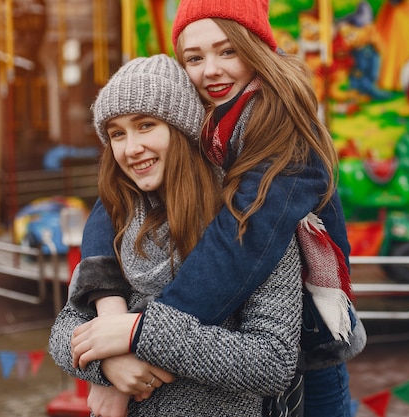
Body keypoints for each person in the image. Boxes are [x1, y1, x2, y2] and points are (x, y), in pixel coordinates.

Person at [71, 1, 367, 416]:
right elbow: (115, 201)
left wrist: (137, 339)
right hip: (213, 354)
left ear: (256, 47)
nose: (210, 69)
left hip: (303, 338)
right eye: (194, 57)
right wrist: (109, 309)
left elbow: (240, 243)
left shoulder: (287, 133)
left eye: (227, 51)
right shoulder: (202, 118)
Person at [49, 54, 304, 417]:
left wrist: (138, 336)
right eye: (117, 133)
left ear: (181, 128)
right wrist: (108, 368)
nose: (130, 148)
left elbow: (272, 361)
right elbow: (65, 329)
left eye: (146, 125)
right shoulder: (120, 219)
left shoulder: (250, 219)